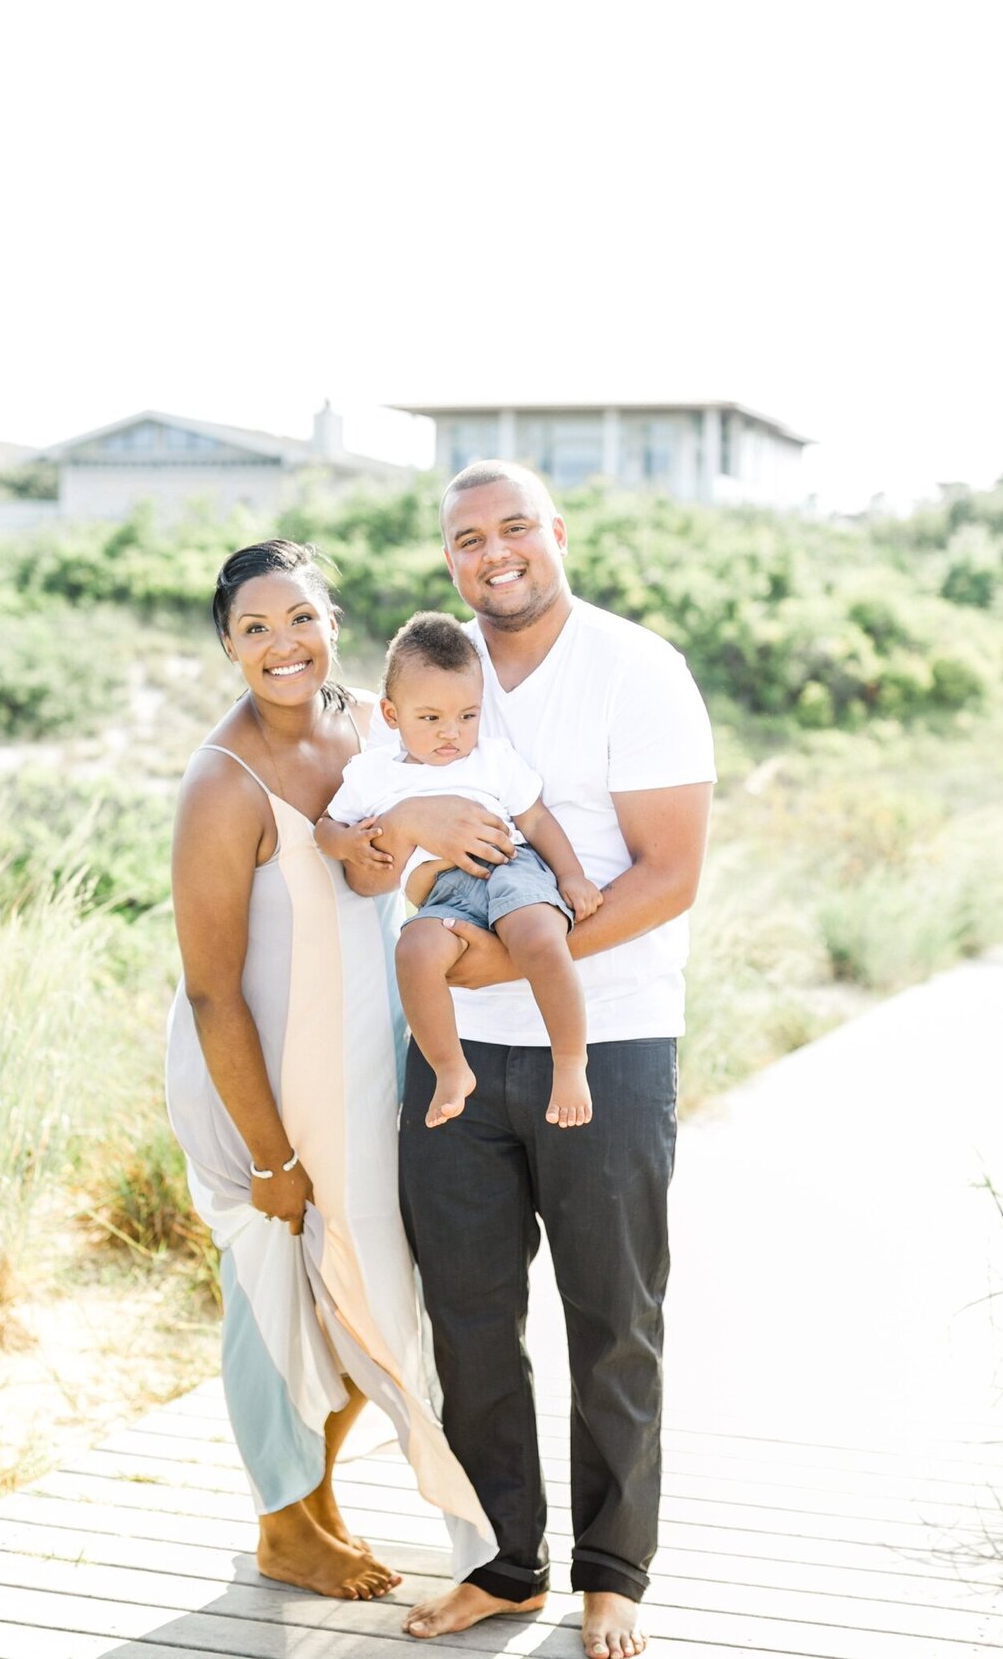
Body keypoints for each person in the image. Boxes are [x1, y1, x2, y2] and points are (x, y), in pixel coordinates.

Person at [346, 464, 715, 1659]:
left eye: (514, 528)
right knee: (468, 1318)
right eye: (468, 537)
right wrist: (404, 841)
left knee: (613, 1316)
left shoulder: (637, 669)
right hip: (449, 1060)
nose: (493, 551)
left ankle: (615, 1574)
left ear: (555, 534)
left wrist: (507, 968)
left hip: (603, 1043)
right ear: (449, 557)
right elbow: (364, 853)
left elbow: (668, 873)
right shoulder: (426, 680)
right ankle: (506, 1566)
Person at [164, 537, 495, 1603]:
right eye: (254, 628)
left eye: (298, 618)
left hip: (360, 1054)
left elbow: (380, 869)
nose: (282, 644)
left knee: (359, 1286)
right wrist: (268, 1154)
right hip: (255, 1079)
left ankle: (318, 1503)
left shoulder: (366, 725)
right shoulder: (222, 784)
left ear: (332, 624)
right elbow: (214, 991)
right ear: (228, 647)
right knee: (274, 1290)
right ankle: (282, 1527)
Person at [315, 609, 602, 1130]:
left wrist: (573, 876)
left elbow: (535, 818)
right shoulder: (371, 775)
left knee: (538, 935)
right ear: (391, 713)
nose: (452, 733)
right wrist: (347, 841)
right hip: (442, 895)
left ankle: (570, 1062)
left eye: (467, 716)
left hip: (509, 867)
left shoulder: (492, 759)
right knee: (415, 951)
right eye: (431, 719)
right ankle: (451, 1069)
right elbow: (324, 828)